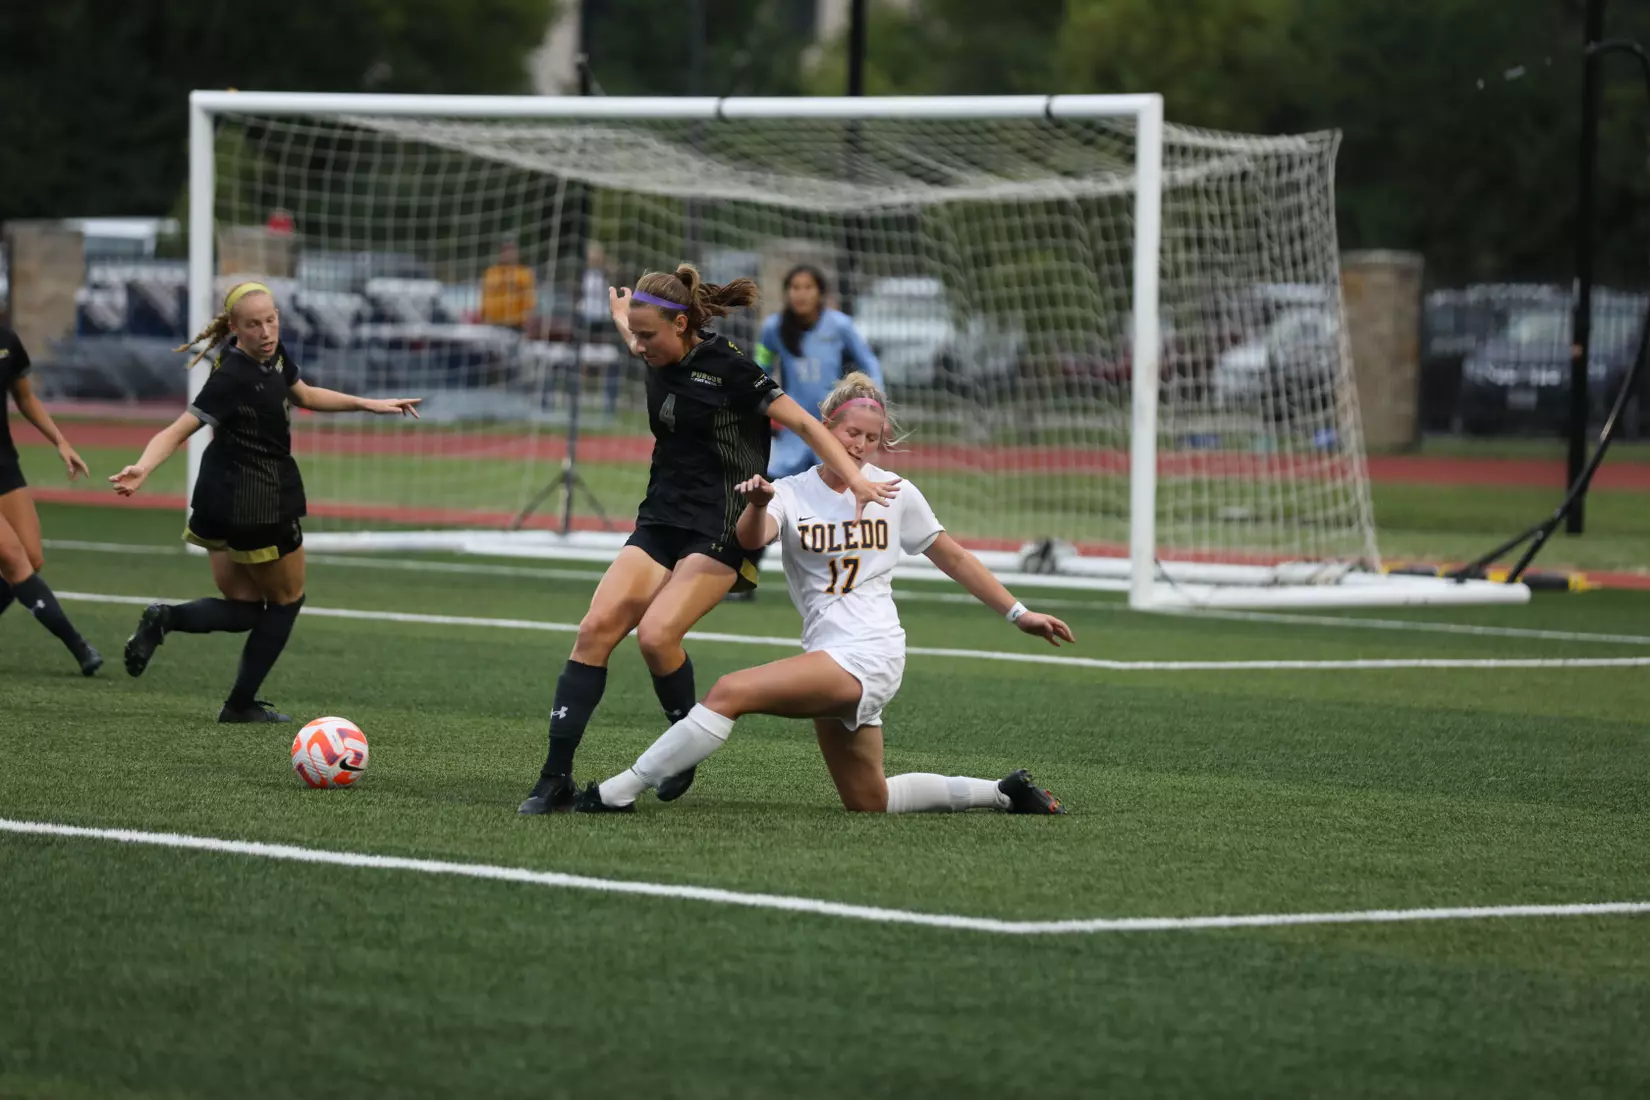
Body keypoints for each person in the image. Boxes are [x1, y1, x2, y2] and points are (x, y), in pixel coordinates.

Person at [574, 371, 1073, 815]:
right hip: (828, 651)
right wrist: (758, 502)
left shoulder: (895, 491)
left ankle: (617, 791)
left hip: (871, 652)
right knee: (869, 799)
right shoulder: (792, 491)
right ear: (825, 429)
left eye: (872, 438)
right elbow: (752, 538)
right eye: (851, 433)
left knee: (729, 691)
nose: (860, 445)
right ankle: (1002, 792)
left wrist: (1019, 613)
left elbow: (956, 558)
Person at [517, 263, 900, 815]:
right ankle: (554, 778)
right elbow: (640, 335)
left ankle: (681, 746)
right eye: (635, 336)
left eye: (648, 336)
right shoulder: (656, 345)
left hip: (722, 522)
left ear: (680, 325)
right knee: (594, 629)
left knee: (656, 637)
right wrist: (624, 317)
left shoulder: (730, 367)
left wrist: (857, 480)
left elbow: (807, 425)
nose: (638, 346)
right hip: (662, 517)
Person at [111, 282, 421, 722]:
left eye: (271, 320)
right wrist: (143, 467)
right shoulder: (232, 376)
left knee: (244, 609)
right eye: (254, 325)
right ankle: (239, 705)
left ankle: (165, 618)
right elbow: (178, 430)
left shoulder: (271, 355)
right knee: (287, 601)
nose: (266, 331)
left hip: (218, 501)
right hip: (259, 503)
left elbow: (304, 394)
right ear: (235, 329)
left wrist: (368, 404)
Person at [731, 265, 885, 601]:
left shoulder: (840, 326)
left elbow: (869, 363)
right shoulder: (774, 328)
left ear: (820, 293)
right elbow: (759, 366)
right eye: (795, 287)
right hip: (792, 432)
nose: (800, 293)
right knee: (765, 496)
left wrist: (877, 406)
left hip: (833, 434)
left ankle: (849, 577)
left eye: (808, 287)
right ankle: (743, 575)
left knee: (840, 501)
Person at [0, 324, 102, 674]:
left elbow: (25, 398)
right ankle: (79, 647)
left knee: (31, 557)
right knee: (13, 558)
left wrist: (61, 441)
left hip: (4, 464)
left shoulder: (6, 340)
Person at [480, 237, 535, 332]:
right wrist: (483, 316)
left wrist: (527, 318)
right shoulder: (490, 273)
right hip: (493, 324)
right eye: (504, 250)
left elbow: (529, 300)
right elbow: (484, 297)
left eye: (511, 250)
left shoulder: (524, 273)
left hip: (516, 324)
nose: (508, 254)